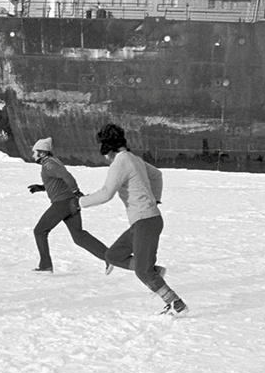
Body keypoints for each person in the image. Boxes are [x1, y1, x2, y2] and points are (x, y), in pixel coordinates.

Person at [78, 124, 188, 317]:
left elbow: (106, 194)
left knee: (142, 272)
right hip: (143, 221)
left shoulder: (120, 162)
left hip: (145, 221)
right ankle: (152, 270)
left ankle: (175, 304)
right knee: (113, 255)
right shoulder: (134, 159)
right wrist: (155, 198)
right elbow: (157, 175)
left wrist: (80, 202)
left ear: (107, 147)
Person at [27, 137, 108, 273]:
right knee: (78, 236)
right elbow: (58, 182)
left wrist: (77, 192)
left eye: (35, 152)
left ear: (42, 153)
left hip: (62, 204)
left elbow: (67, 176)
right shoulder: (51, 163)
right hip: (69, 203)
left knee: (40, 231)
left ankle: (45, 266)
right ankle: (109, 257)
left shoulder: (49, 165)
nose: (33, 155)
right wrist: (41, 187)